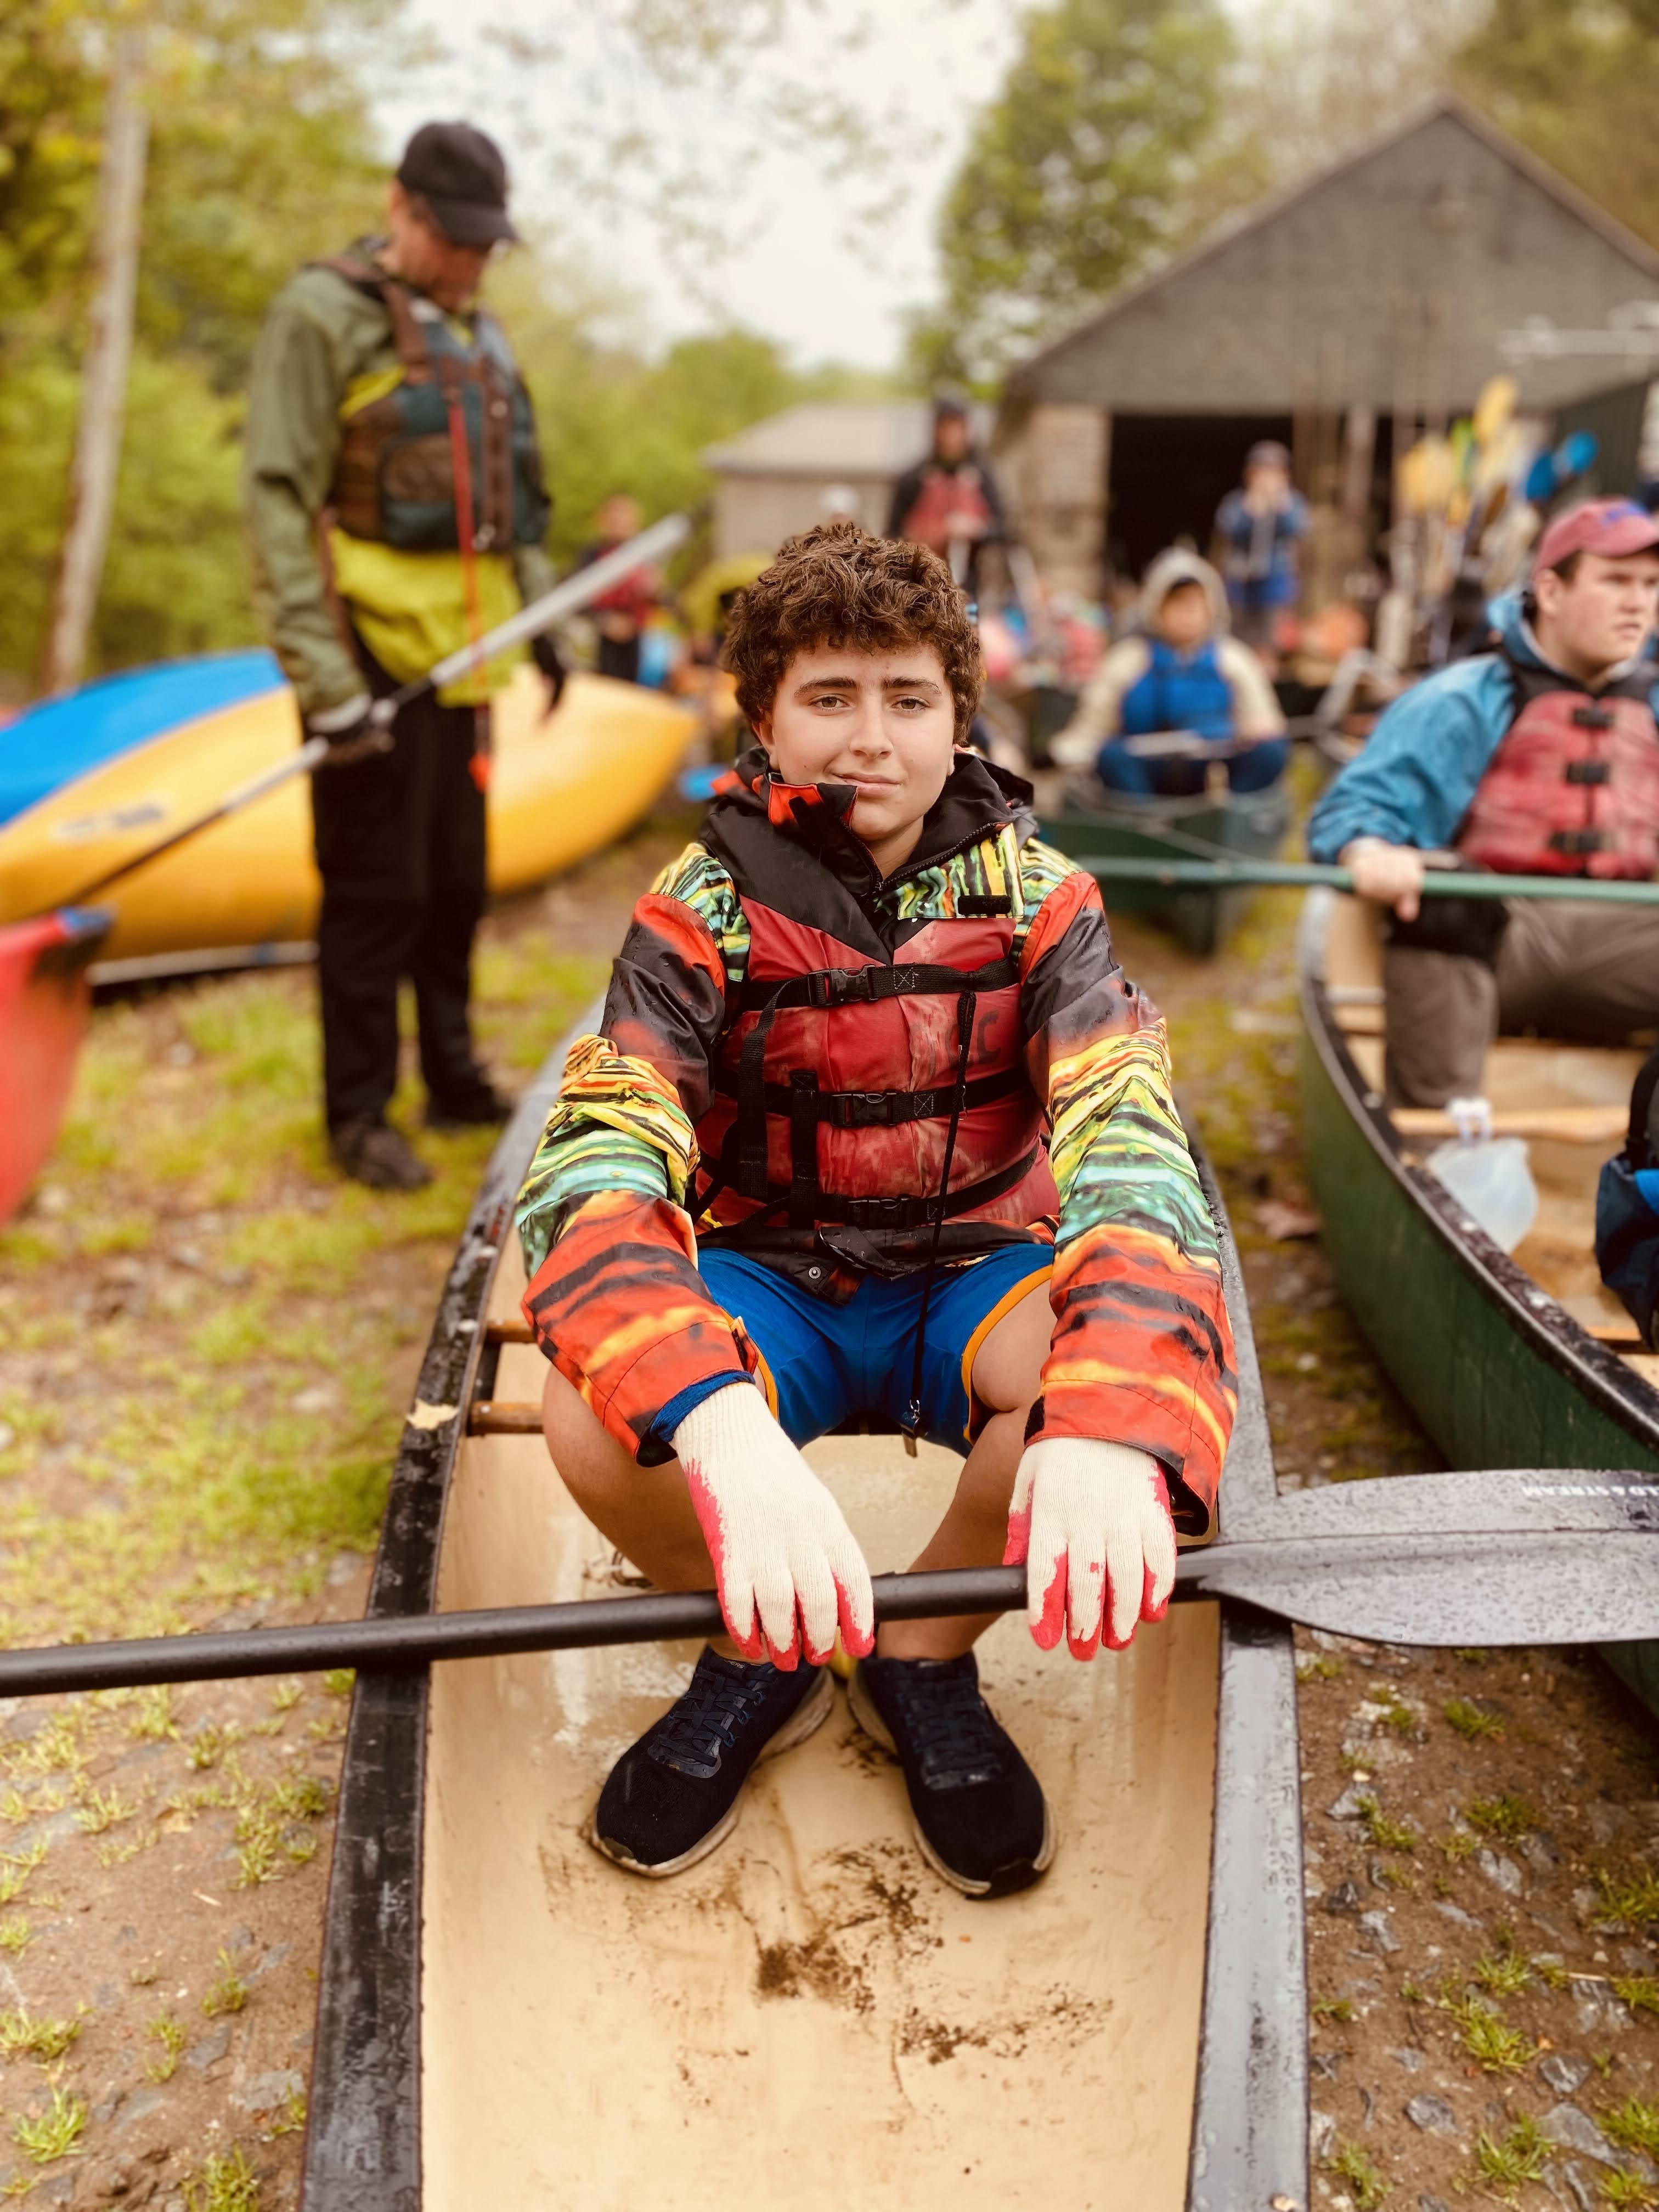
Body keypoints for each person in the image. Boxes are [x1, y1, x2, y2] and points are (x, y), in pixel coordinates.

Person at [515, 521, 1237, 1896]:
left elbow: (1135, 1146)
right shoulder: (695, 910)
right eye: (830, 697)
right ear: (765, 723)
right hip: (768, 1273)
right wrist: (713, 1423)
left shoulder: (1048, 904)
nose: (871, 738)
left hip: (975, 1268)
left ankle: (920, 1649)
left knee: (1128, 1413)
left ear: (959, 719)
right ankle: (764, 1638)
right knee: (591, 1420)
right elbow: (596, 1166)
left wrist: (1111, 1411)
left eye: (908, 698)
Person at [244, 121, 564, 1191]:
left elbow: (513, 501)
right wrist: (324, 683)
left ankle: (454, 1079)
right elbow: (278, 501)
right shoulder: (321, 316)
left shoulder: (483, 331)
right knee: (376, 894)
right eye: (454, 239)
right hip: (368, 659)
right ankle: (358, 1113)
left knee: (455, 887)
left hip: (469, 663)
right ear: (399, 206)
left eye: (486, 244)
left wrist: (543, 619)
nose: (470, 262)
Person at [1307, 498, 1659, 1109]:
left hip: (1626, 941)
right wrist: (1370, 849)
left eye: (1651, 585)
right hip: (1496, 943)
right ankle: (1444, 1129)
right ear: (1552, 591)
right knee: (1440, 889)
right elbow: (1353, 808)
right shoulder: (1463, 698)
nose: (1639, 603)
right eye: (1616, 582)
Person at [1049, 549, 1287, 799]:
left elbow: (1262, 722)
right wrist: (1069, 753)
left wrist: (1256, 733)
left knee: (1269, 753)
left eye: (1195, 604)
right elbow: (1094, 726)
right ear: (1157, 609)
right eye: (1177, 604)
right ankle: (1146, 818)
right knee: (1112, 756)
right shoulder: (1129, 660)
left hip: (1212, 764)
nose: (1188, 614)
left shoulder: (1233, 659)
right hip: (1146, 767)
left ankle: (1231, 812)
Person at [887, 394, 1007, 590]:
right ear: (935, 429)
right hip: (920, 582)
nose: (952, 435)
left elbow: (1003, 529)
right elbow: (892, 534)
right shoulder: (912, 478)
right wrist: (931, 532)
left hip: (970, 583)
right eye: (946, 426)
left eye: (958, 426)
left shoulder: (983, 475)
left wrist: (976, 529)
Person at [1213, 440, 1308, 657]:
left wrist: (1281, 506)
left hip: (1276, 583)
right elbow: (1226, 527)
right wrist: (1251, 510)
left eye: (1274, 472)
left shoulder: (1293, 503)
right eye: (1261, 471)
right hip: (1241, 582)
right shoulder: (1237, 502)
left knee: (1272, 642)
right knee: (1237, 640)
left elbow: (1300, 528)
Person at [577, 492, 658, 685]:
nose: (620, 523)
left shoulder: (644, 557)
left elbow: (657, 600)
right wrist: (605, 621)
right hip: (600, 636)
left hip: (634, 638)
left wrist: (655, 590)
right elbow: (578, 601)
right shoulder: (591, 556)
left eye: (625, 517)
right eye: (615, 518)